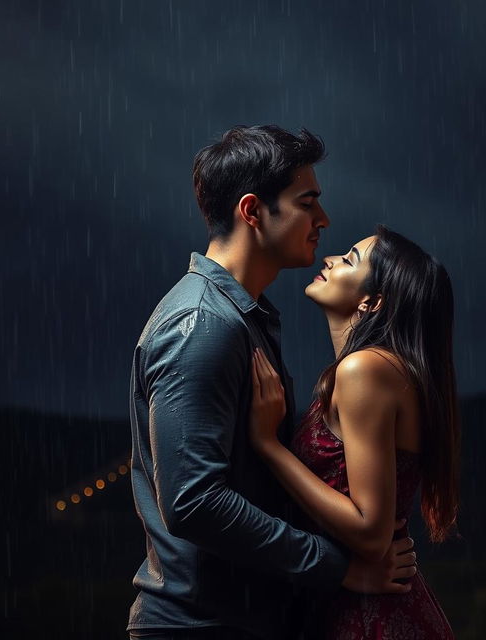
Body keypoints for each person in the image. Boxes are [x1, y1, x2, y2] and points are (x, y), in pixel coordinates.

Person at [127, 126, 417, 640]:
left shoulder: (245, 319)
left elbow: (256, 484)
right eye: (308, 203)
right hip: (201, 626)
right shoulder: (203, 325)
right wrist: (336, 566)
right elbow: (193, 501)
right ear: (253, 212)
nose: (323, 220)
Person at [249, 226, 459, 639]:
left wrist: (268, 445)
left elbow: (370, 532)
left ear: (372, 301)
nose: (329, 259)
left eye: (349, 259)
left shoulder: (365, 370)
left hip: (371, 617)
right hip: (365, 602)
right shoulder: (382, 370)